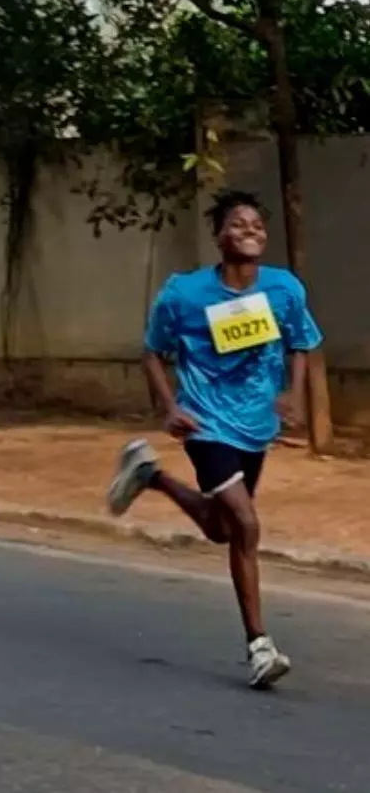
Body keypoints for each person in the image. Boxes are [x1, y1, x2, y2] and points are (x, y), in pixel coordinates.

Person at [105, 189, 321, 690]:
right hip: (205, 423)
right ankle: (259, 647)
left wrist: (294, 394)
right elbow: (152, 351)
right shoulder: (184, 294)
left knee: (223, 530)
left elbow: (303, 343)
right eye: (238, 224)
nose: (250, 231)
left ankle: (149, 474)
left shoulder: (283, 289)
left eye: (257, 225)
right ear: (219, 236)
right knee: (246, 524)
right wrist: (170, 406)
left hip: (255, 425)